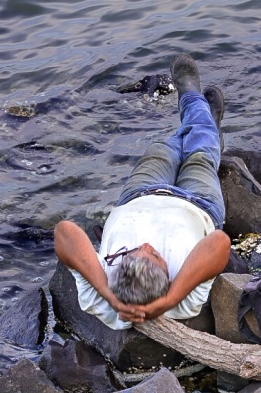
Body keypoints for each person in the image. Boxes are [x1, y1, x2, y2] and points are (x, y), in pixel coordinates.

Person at [54, 54, 231, 328]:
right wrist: (171, 299)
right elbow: (219, 243)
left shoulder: (102, 296)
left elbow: (64, 231)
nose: (147, 245)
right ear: (169, 278)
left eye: (134, 251)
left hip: (140, 194)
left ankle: (204, 123)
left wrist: (106, 294)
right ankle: (193, 99)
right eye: (156, 255)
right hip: (199, 204)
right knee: (200, 153)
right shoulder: (182, 301)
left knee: (164, 148)